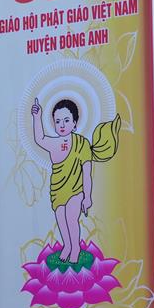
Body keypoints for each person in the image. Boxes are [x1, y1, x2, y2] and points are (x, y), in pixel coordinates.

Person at [32, 98, 122, 265]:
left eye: (66, 120)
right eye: (58, 121)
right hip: (57, 189)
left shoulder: (82, 144)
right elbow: (39, 139)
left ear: (74, 123)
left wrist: (87, 197)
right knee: (61, 218)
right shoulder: (53, 143)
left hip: (76, 189)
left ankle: (75, 248)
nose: (62, 125)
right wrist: (37, 117)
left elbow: (86, 174)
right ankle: (67, 245)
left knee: (71, 217)